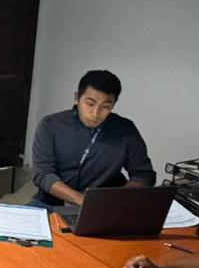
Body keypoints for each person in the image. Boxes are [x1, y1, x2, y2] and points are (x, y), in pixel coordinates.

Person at [31, 69, 154, 207]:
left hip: (104, 203)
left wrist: (120, 199)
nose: (95, 113)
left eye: (105, 106)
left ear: (114, 104)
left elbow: (143, 174)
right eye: (90, 104)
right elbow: (43, 174)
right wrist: (82, 200)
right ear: (77, 98)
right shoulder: (51, 125)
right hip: (51, 201)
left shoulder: (125, 130)